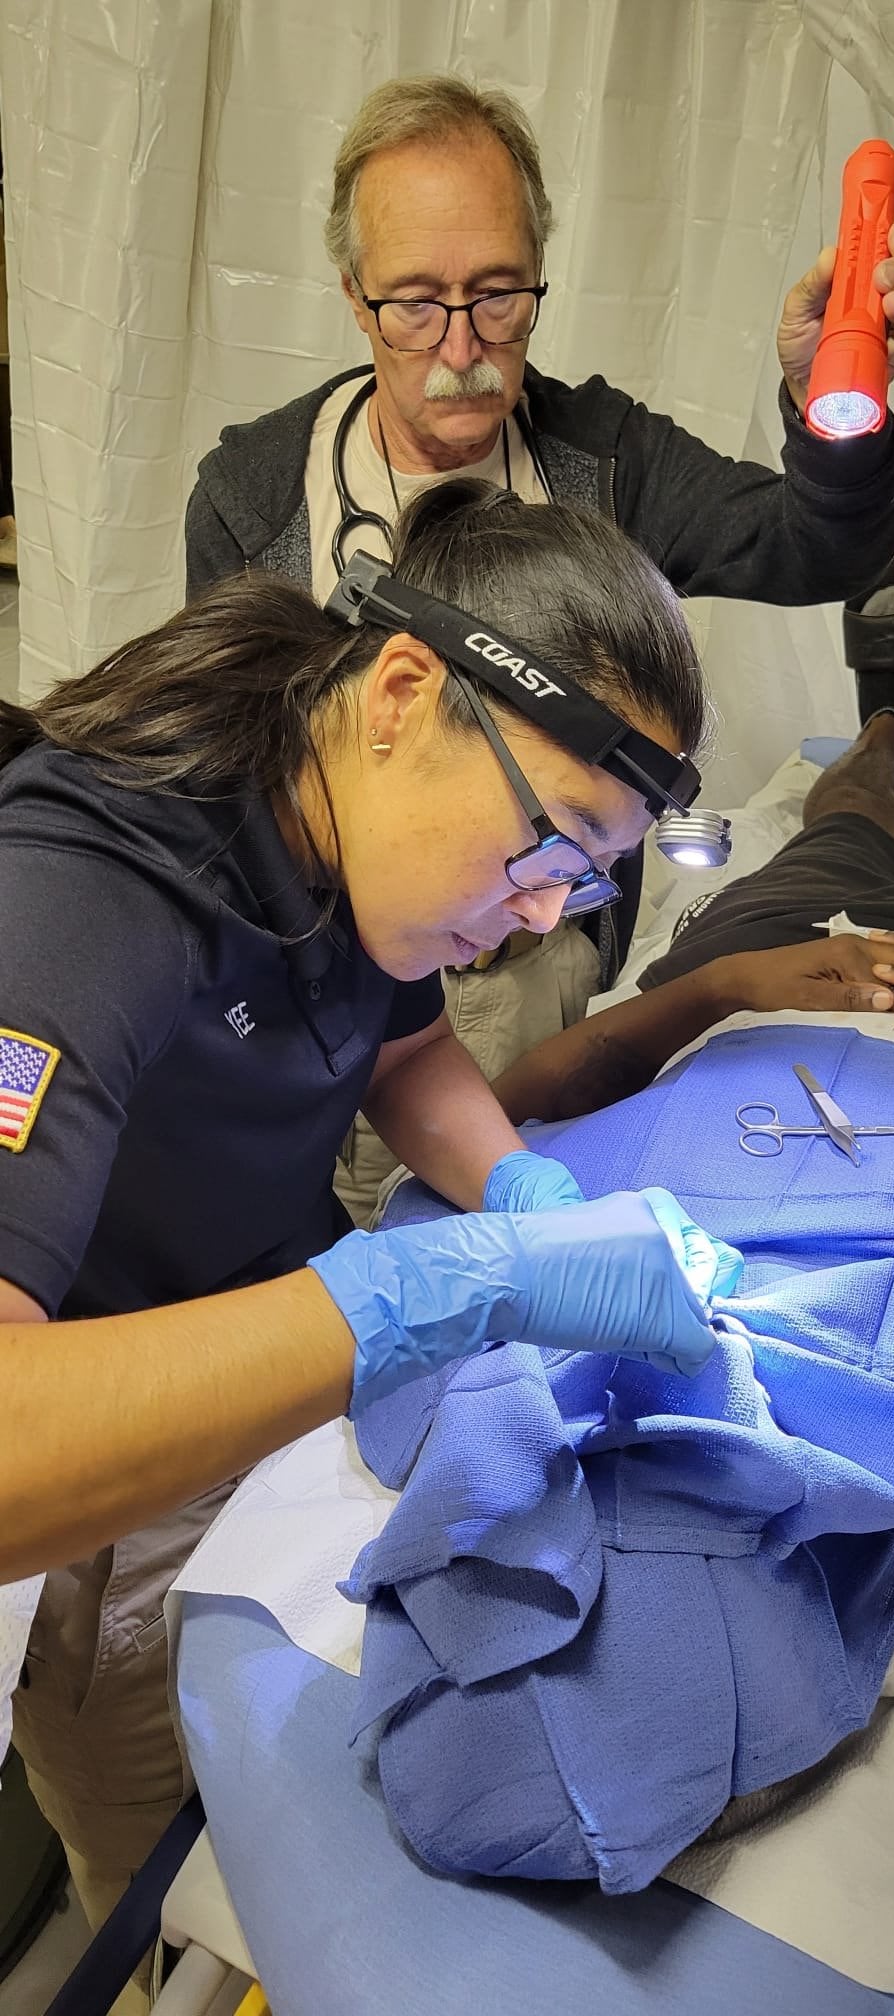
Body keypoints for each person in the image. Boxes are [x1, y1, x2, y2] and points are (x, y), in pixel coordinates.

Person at [0, 483, 751, 1959]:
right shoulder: (76, 901)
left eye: (583, 881)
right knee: (168, 1852)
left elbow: (400, 1048)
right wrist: (436, 1291)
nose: (545, 919)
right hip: (91, 1440)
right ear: (406, 690)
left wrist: (530, 1192)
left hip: (247, 1365)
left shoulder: (337, 814)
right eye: (544, 848)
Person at [184, 72, 894, 1224]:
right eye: (416, 304)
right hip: (316, 962)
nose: (463, 347)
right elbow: (222, 778)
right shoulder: (254, 493)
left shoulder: (602, 462)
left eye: (498, 297)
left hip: (514, 964)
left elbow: (815, 549)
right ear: (353, 293)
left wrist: (831, 403)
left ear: (539, 272)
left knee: (456, 1220)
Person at [493, 564, 894, 1225]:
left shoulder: (565, 1270)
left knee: (846, 822)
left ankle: (885, 725)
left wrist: (722, 985)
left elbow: (504, 1115)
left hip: (776, 956)